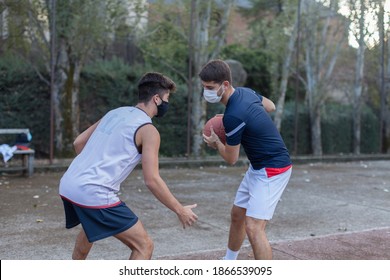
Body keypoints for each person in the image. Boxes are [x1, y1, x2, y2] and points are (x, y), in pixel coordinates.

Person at [59, 72, 198, 260]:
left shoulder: (114, 113)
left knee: (90, 225)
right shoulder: (148, 130)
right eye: (167, 98)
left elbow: (78, 143)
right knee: (144, 246)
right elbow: (152, 180)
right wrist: (180, 209)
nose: (167, 103)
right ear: (156, 99)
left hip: (68, 184)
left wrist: (92, 168)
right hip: (93, 191)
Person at [200, 59, 292, 260]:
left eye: (210, 87)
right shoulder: (245, 93)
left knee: (254, 227)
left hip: (273, 169)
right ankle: (229, 262)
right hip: (259, 166)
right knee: (237, 215)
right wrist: (247, 119)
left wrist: (216, 143)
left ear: (225, 85)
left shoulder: (234, 115)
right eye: (204, 87)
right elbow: (271, 105)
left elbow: (231, 159)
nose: (205, 91)